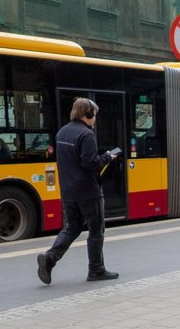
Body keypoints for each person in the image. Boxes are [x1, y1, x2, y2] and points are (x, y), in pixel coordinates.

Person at [37, 98, 119, 284]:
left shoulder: (62, 132)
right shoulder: (86, 134)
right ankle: (96, 270)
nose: (95, 118)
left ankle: (50, 258)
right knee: (96, 231)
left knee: (72, 227)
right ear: (87, 113)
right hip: (88, 192)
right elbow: (90, 163)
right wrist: (107, 157)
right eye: (94, 114)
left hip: (68, 192)